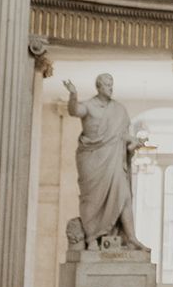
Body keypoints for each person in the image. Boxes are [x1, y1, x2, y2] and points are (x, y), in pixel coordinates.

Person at [63, 73, 148, 250]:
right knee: (91, 199)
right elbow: (74, 111)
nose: (111, 88)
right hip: (91, 158)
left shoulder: (118, 109)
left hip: (113, 159)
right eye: (107, 85)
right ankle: (92, 236)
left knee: (123, 194)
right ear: (99, 87)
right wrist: (73, 95)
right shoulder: (89, 106)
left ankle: (131, 236)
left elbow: (120, 135)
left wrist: (134, 141)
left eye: (112, 85)